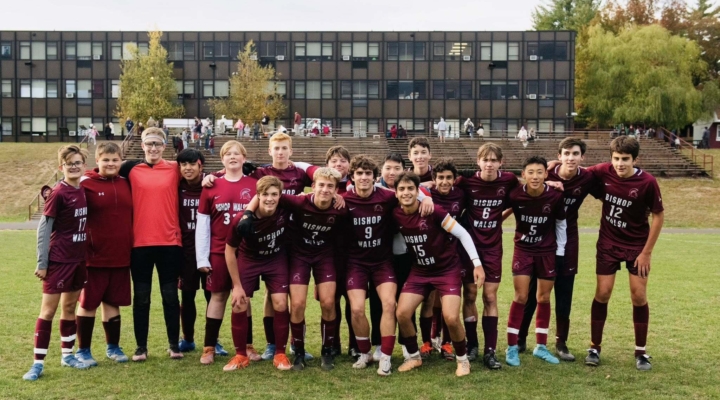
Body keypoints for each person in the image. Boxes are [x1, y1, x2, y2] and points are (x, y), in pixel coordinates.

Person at [245, 168, 348, 371]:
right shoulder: (299, 201)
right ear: (313, 186)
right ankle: (299, 351)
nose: (325, 189)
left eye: (330, 186)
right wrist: (248, 213)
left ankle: (327, 350)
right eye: (321, 185)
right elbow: (265, 194)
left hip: (324, 257)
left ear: (336, 190)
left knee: (328, 302)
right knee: (298, 304)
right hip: (299, 256)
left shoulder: (340, 209)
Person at [343, 155, 433, 375]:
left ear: (375, 177)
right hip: (357, 263)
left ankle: (385, 355)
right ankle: (365, 352)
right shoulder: (343, 200)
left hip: (383, 262)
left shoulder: (386, 195)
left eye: (368, 173)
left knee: (390, 304)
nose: (364, 177)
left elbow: (408, 192)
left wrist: (427, 198)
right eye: (359, 173)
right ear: (352, 176)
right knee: (357, 308)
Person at [393, 172, 485, 377]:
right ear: (396, 193)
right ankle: (414, 357)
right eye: (402, 189)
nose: (406, 193)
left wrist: (477, 264)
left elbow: (462, 233)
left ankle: (462, 360)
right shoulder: (395, 212)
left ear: (417, 191)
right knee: (402, 313)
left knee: (451, 317)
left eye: (411, 189)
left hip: (446, 270)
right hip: (420, 271)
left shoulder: (433, 211)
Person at [584, 136, 664, 371]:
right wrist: (553, 166)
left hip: (637, 246)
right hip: (608, 243)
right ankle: (594, 348)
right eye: (616, 158)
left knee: (638, 295)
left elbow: (658, 216)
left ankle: (641, 352)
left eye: (625, 159)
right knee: (603, 293)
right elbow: (577, 172)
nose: (620, 164)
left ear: (635, 160)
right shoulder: (603, 171)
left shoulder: (647, 182)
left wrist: (646, 253)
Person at [517, 138, 600, 361]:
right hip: (541, 237)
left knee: (564, 290)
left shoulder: (588, 177)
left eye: (575, 154)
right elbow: (524, 186)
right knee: (533, 291)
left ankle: (561, 342)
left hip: (569, 237)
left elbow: (608, 186)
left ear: (582, 157)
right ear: (559, 155)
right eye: (566, 153)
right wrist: (548, 181)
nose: (571, 158)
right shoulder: (546, 173)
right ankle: (521, 337)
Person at [24, 145, 92, 381]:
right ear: (61, 167)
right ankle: (37, 364)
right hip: (59, 260)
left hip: (78, 259)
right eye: (69, 163)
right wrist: (42, 263)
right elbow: (44, 229)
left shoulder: (84, 189)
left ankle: (67, 356)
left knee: (70, 308)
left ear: (84, 165)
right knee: (48, 311)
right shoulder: (58, 193)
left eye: (77, 162)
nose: (73, 167)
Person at [119, 127, 184, 361]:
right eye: (149, 144)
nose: (153, 148)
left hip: (169, 243)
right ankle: (141, 347)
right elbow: (102, 170)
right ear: (143, 145)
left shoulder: (175, 168)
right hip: (140, 244)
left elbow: (198, 172)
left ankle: (174, 345)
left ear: (164, 146)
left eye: (157, 144)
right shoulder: (131, 169)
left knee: (170, 296)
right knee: (142, 297)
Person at [455, 143, 518, 369]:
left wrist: (498, 218)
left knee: (490, 297)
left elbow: (520, 199)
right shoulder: (466, 182)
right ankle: (472, 344)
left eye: (493, 160)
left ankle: (490, 351)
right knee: (470, 295)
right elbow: (445, 189)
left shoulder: (509, 180)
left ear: (501, 163)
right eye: (485, 160)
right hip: (469, 247)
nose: (489, 164)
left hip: (492, 248)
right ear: (478, 162)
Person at [195, 141, 258, 365]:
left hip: (246, 252)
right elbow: (203, 224)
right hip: (218, 251)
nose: (232, 157)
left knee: (244, 297)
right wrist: (202, 257)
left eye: (236, 153)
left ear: (244, 158)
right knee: (218, 296)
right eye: (228, 154)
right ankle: (209, 347)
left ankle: (247, 346)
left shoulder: (254, 185)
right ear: (222, 159)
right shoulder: (211, 186)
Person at [504, 156, 567, 367]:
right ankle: (512, 347)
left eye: (540, 172)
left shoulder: (555, 196)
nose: (535, 176)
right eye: (530, 172)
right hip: (523, 250)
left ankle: (541, 346)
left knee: (544, 297)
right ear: (523, 175)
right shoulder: (515, 195)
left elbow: (561, 224)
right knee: (521, 296)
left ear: (546, 174)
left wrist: (560, 252)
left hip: (547, 252)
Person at [74, 143, 133, 367]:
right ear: (97, 161)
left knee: (113, 302)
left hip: (121, 255)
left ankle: (113, 347)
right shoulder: (85, 184)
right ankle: (83, 350)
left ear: (121, 161)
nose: (110, 164)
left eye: (115, 160)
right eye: (106, 160)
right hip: (93, 257)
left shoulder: (126, 183)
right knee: (88, 303)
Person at [225, 176, 293, 371]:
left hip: (275, 259)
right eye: (265, 194)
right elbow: (229, 251)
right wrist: (236, 286)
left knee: (280, 302)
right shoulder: (242, 219)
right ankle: (240, 355)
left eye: (274, 194)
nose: (270, 199)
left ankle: (280, 353)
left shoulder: (284, 210)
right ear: (258, 196)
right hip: (249, 259)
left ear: (280, 196)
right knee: (239, 302)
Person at [177, 149, 229, 356]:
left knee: (212, 296)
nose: (188, 168)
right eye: (183, 165)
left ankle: (213, 340)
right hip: (186, 252)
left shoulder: (212, 183)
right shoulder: (176, 185)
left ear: (201, 166)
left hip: (210, 250)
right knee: (187, 295)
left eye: (192, 164)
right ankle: (187, 339)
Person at [429, 158, 480, 362]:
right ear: (434, 178)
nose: (444, 181)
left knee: (454, 297)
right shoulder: (427, 194)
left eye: (449, 177)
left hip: (456, 251)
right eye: (440, 177)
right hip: (433, 251)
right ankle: (434, 336)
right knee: (434, 297)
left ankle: (449, 342)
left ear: (454, 179)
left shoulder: (460, 194)